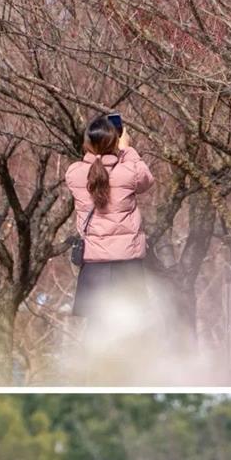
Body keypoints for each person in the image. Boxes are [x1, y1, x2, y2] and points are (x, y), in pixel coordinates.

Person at [65, 116, 154, 318]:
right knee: (130, 329)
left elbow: (96, 170)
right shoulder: (129, 171)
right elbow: (146, 179)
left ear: (87, 144)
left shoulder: (74, 173)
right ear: (115, 141)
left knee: (97, 333)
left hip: (94, 267)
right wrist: (126, 149)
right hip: (127, 265)